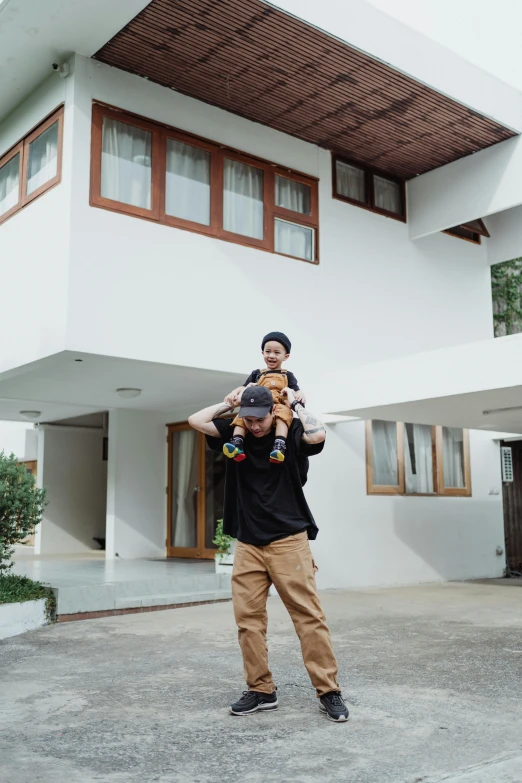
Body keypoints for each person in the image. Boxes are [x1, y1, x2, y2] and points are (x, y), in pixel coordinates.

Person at [188, 385, 349, 722]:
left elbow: (318, 435)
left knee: (308, 618)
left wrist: (295, 404)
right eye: (249, 419)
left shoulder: (288, 433)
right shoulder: (235, 434)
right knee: (248, 622)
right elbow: (195, 420)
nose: (255, 425)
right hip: (248, 543)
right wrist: (228, 402)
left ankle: (328, 691)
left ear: (272, 413)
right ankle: (261, 689)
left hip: (289, 540)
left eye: (260, 418)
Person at [222, 331, 306, 465]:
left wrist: (300, 393)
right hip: (256, 406)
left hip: (277, 405)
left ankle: (279, 445)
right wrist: (234, 393)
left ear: (286, 356)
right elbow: (244, 387)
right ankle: (237, 443)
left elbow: (295, 390)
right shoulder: (257, 373)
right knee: (242, 416)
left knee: (283, 415)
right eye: (268, 351)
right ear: (262, 353)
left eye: (277, 352)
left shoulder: (287, 375)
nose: (271, 355)